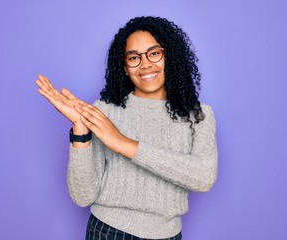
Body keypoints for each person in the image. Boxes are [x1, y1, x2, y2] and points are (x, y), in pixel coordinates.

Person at [36, 16, 217, 240]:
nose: (145, 64)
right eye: (134, 57)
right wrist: (81, 130)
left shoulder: (199, 115)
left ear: (169, 56)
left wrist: (123, 144)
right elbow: (83, 196)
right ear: (124, 67)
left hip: (169, 235)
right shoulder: (104, 111)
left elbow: (203, 177)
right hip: (108, 232)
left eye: (154, 53)